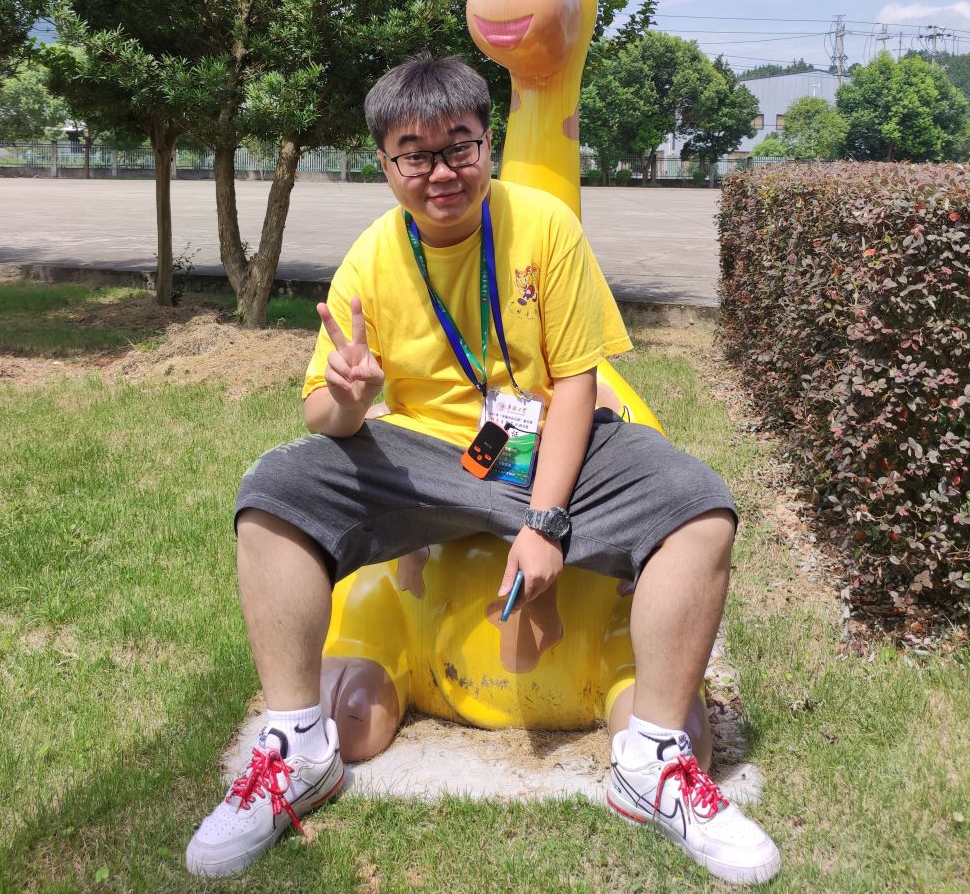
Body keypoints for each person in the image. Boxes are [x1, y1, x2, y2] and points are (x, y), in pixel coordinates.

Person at [185, 55, 782, 885]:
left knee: (698, 504)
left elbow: (575, 383)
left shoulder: (543, 226)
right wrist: (350, 400)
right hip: (423, 457)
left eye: (459, 147)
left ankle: (652, 761)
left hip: (552, 445)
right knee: (273, 492)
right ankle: (297, 748)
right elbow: (321, 413)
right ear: (385, 164)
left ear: (488, 144)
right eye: (415, 155)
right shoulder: (372, 257)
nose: (441, 173)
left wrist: (545, 522)